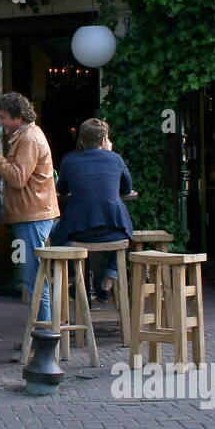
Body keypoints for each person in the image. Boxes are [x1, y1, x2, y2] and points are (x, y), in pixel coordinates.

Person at [0, 91, 59, 326]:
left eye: (3, 117)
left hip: (33, 216)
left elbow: (18, 177)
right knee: (33, 279)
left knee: (34, 280)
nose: (1, 122)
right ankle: (39, 335)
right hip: (32, 214)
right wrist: (2, 190)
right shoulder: (26, 136)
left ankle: (43, 339)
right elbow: (22, 178)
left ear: (17, 116)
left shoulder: (28, 138)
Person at [49, 118, 134, 302]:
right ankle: (109, 280)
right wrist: (109, 154)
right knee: (125, 233)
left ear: (81, 140)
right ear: (104, 140)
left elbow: (61, 189)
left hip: (79, 233)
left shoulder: (69, 160)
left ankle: (75, 282)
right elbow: (127, 189)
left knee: (56, 234)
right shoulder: (115, 158)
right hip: (114, 232)